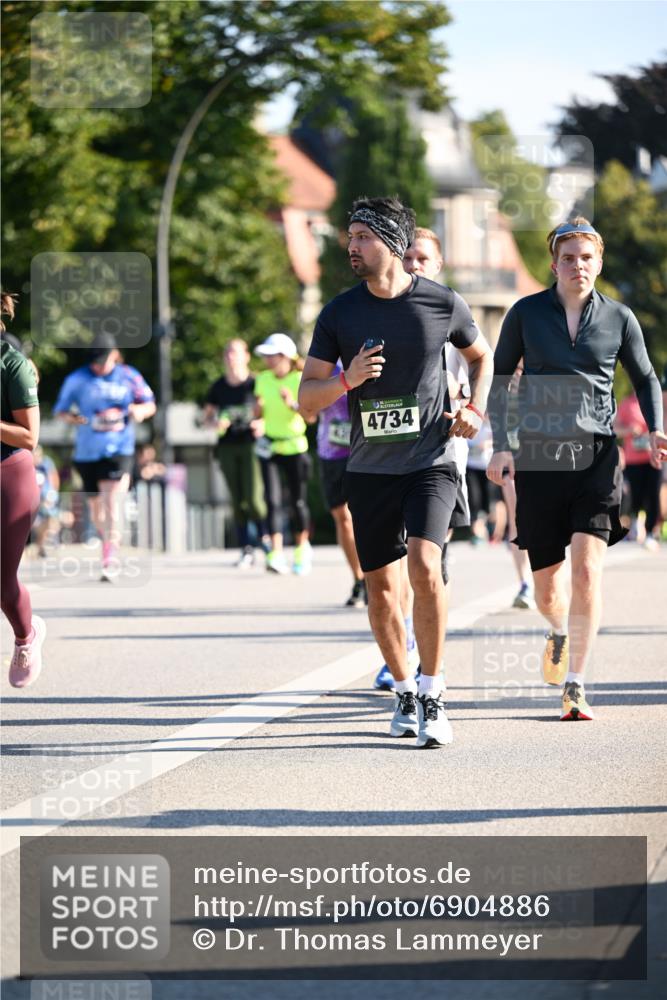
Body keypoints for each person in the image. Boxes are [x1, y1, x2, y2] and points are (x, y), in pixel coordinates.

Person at [299, 196, 494, 748]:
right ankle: (404, 689)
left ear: (393, 243)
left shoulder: (440, 303)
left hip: (430, 461)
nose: (351, 246)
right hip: (369, 469)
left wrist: (474, 408)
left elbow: (483, 356)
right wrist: (346, 379)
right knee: (380, 589)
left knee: (426, 567)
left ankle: (433, 692)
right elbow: (305, 400)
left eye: (362, 236)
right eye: (351, 236)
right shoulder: (339, 314)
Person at [487, 217, 666, 721]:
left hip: (597, 454)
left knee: (587, 570)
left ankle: (576, 684)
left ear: (599, 263)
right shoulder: (525, 313)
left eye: (586, 257)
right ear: (554, 264)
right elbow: (501, 381)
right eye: (568, 257)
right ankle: (559, 630)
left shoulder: (619, 317)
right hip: (541, 455)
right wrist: (502, 446)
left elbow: (646, 374)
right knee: (547, 591)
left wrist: (655, 428)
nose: (577, 265)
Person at [373, 226, 472, 691]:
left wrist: (466, 405)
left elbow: (477, 366)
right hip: (387, 458)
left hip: (441, 453)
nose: (413, 265)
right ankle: (402, 646)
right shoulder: (384, 311)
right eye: (407, 257)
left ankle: (425, 653)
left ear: (438, 266)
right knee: (394, 564)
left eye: (423, 259)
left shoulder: (447, 312)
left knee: (428, 559)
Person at [53, 334, 156, 581]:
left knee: (112, 502)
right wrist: (73, 417)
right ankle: (108, 543)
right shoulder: (78, 379)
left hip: (118, 450)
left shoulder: (128, 376)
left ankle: (109, 557)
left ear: (115, 354)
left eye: (103, 360)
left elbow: (150, 404)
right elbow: (60, 411)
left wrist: (139, 411)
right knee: (97, 511)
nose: (97, 366)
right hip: (87, 453)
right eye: (94, 361)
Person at [0, 292, 45, 687]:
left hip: (9, 474)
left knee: (1, 579)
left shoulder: (12, 364)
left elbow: (29, 436)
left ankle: (25, 635)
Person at [203, 339, 268, 568]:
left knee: (254, 499)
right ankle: (245, 548)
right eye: (228, 353)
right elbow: (206, 418)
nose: (232, 357)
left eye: (236, 353)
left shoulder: (256, 383)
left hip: (250, 445)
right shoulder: (218, 387)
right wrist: (215, 424)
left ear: (246, 356)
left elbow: (266, 411)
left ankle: (265, 540)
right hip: (227, 447)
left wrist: (262, 423)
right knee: (236, 500)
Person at [253, 333, 314, 576]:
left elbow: (311, 417)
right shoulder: (263, 379)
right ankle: (276, 553)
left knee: (297, 502)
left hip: (294, 447)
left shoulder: (300, 379)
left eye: (272, 356)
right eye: (266, 356)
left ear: (286, 357)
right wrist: (256, 417)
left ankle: (301, 549)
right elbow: (257, 411)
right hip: (269, 446)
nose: (268, 360)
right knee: (271, 500)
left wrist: (292, 405)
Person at [316, 362, 366, 607]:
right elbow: (307, 410)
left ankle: (376, 576)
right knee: (343, 518)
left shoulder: (370, 356)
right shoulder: (323, 366)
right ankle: (359, 577)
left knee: (368, 517)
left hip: (367, 450)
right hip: (331, 451)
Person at [614, 391, 662, 550]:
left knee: (654, 495)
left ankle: (650, 532)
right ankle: (635, 523)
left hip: (654, 457)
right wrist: (629, 430)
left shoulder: (656, 401)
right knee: (636, 495)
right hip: (633, 460)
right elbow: (615, 428)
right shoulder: (626, 404)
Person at [32, 445, 61, 557]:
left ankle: (42, 545)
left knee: (52, 519)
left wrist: (53, 495)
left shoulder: (47, 463)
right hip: (34, 503)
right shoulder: (28, 466)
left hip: (47, 500)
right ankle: (41, 545)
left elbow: (54, 479)